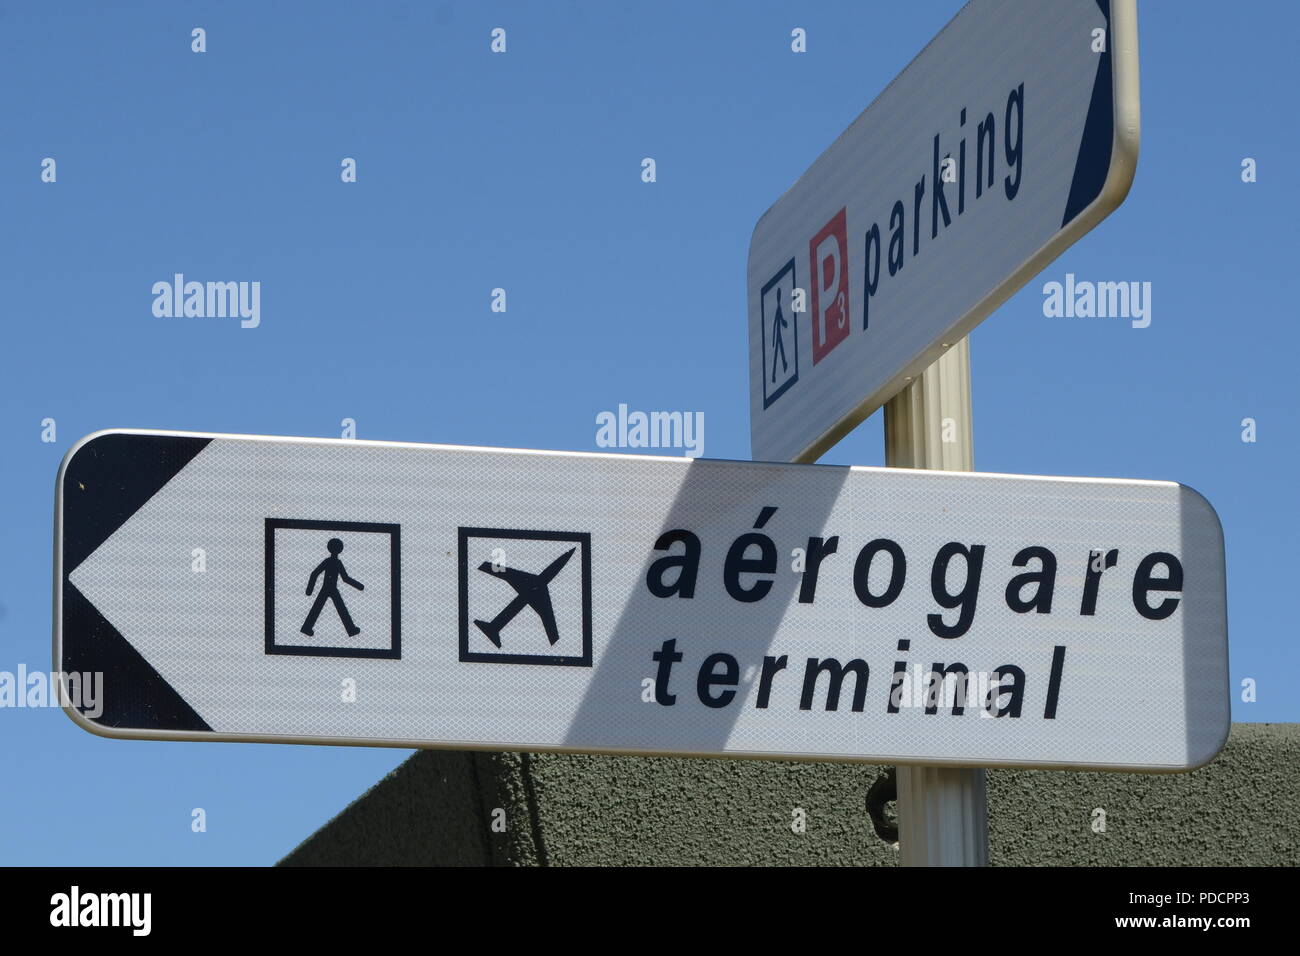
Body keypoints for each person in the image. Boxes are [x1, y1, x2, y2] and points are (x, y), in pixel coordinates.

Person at [302, 538, 364, 637]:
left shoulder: (329, 561)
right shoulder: (336, 562)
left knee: (321, 607)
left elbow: (315, 574)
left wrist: (310, 589)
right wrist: (358, 585)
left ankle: (306, 627)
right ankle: (351, 629)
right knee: (339, 608)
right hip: (330, 588)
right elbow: (345, 578)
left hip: (328, 588)